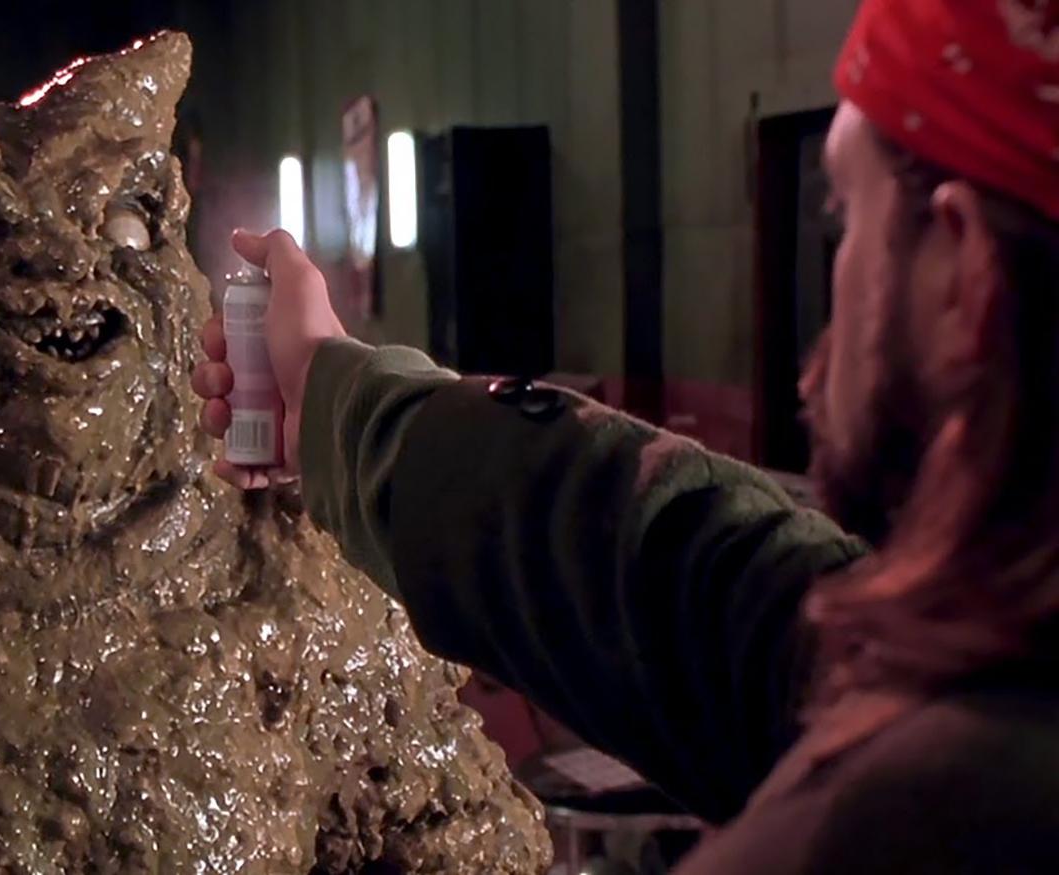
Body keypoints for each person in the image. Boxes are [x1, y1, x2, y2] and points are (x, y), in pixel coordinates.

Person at [192, 0, 1059, 870]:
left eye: (844, 214)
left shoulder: (903, 824)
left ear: (963, 276)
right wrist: (337, 395)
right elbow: (696, 578)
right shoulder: (981, 650)